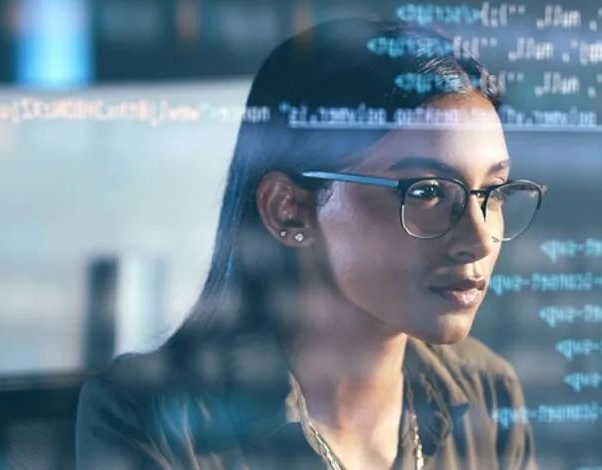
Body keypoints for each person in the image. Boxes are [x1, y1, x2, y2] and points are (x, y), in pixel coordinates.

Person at [76, 17, 546, 470]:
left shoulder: (488, 392)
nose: (479, 238)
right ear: (289, 209)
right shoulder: (150, 419)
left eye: (494, 193)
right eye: (424, 192)